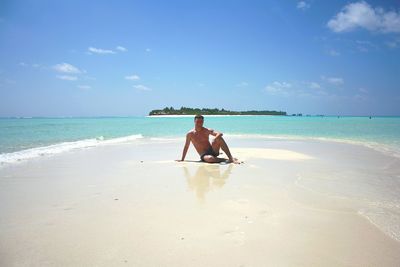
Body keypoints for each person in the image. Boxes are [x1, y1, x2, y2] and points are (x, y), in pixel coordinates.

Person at [176, 114, 240, 164]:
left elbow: (220, 133)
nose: (199, 123)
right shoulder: (190, 134)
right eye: (198, 122)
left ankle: (230, 158)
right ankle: (226, 159)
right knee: (210, 159)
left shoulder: (206, 130)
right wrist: (182, 159)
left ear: (203, 122)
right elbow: (186, 146)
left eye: (201, 122)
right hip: (204, 155)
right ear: (194, 121)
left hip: (213, 150)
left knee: (219, 138)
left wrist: (215, 138)